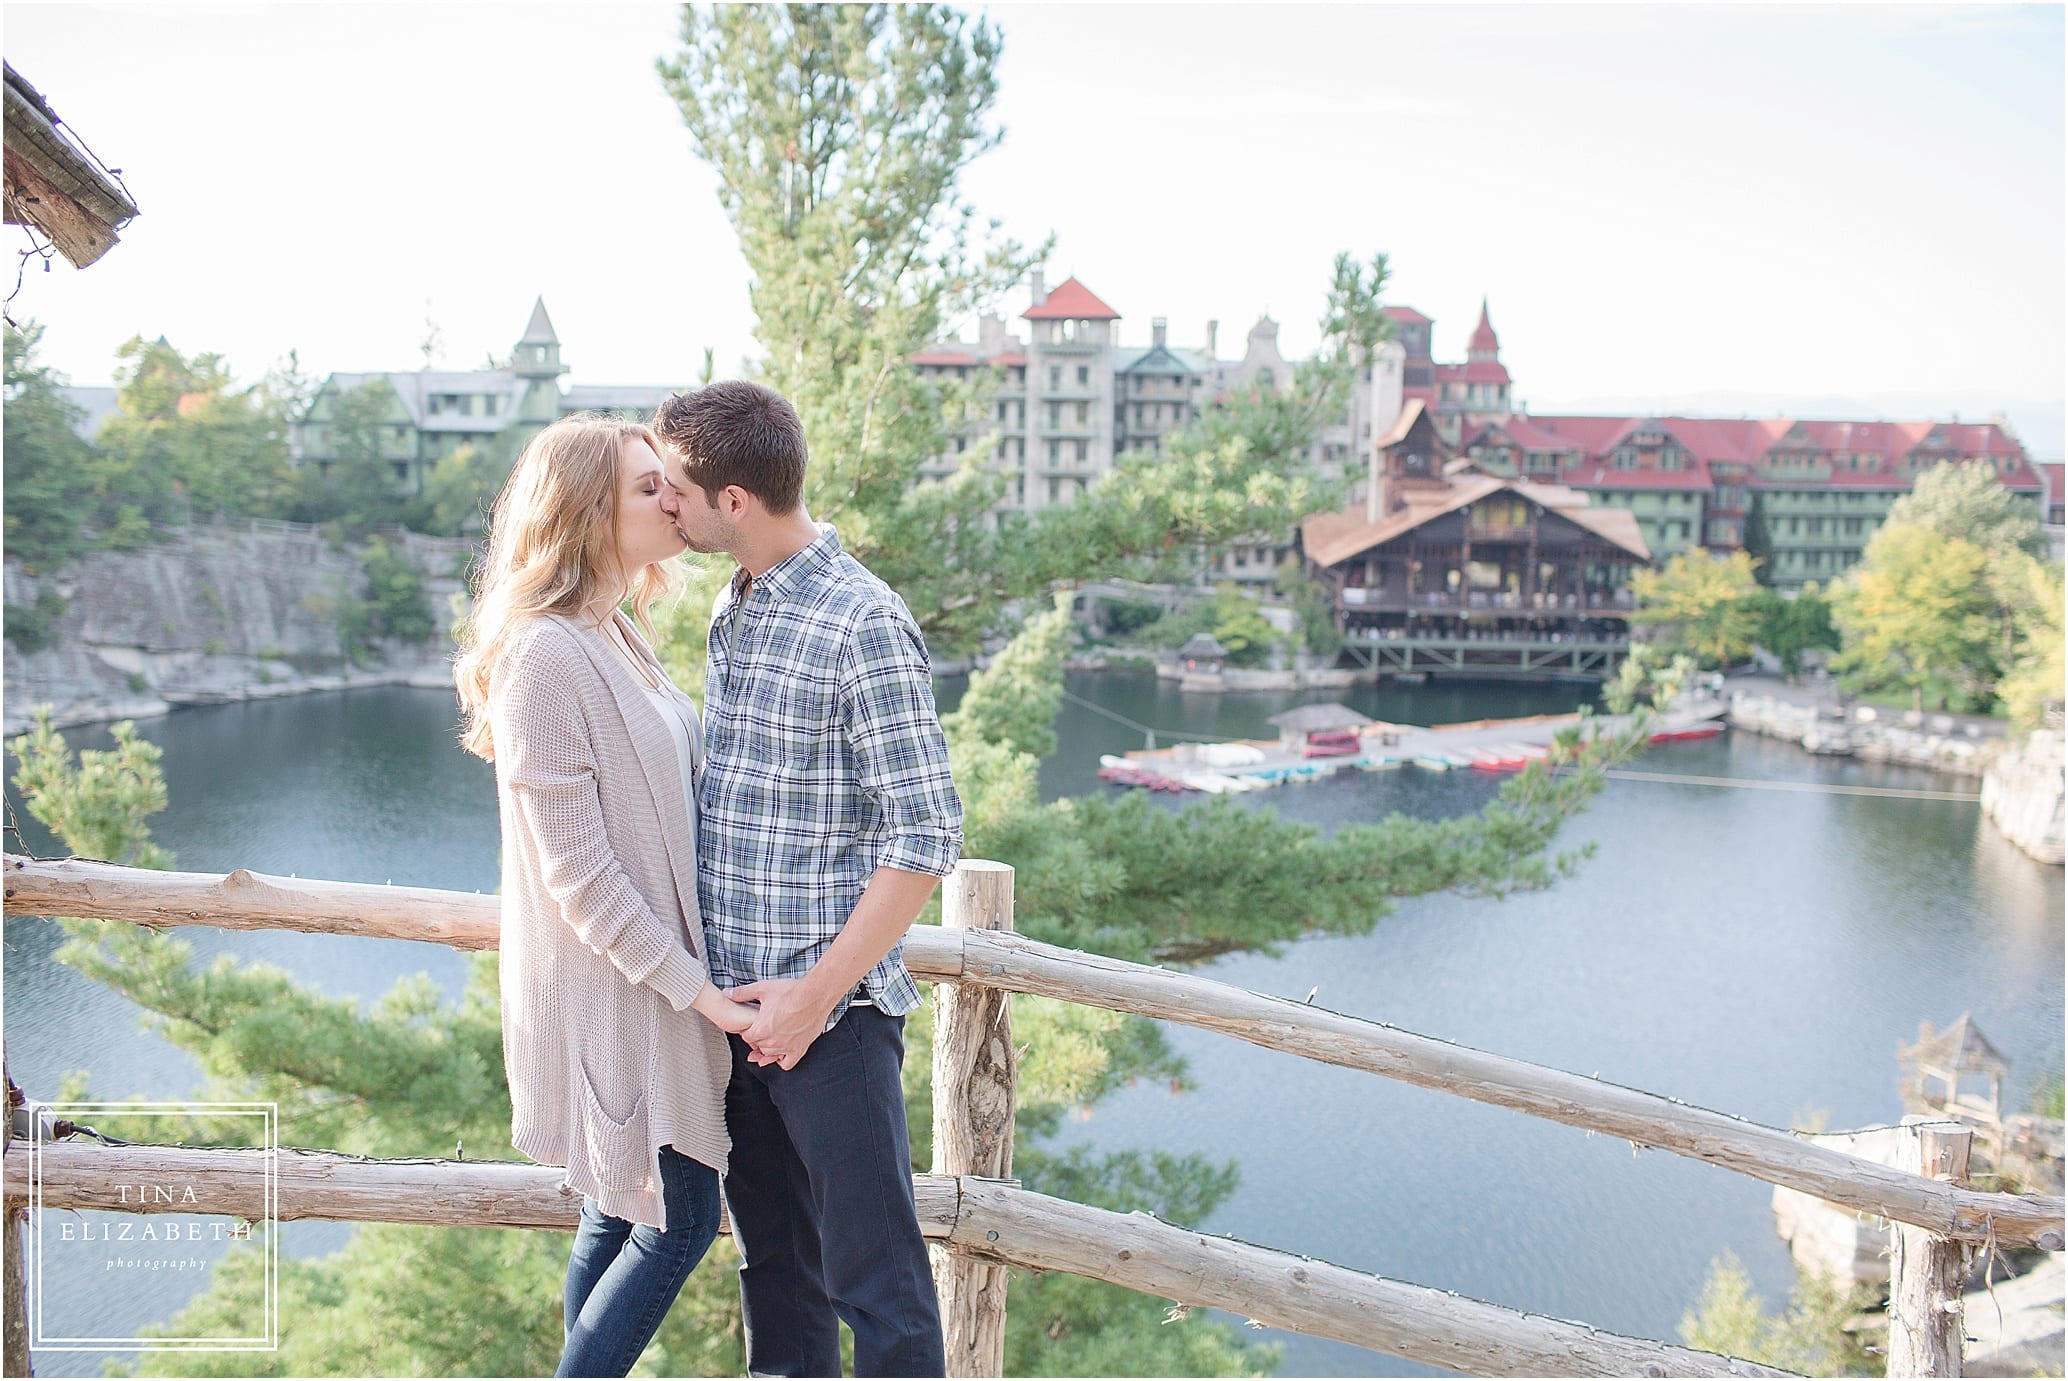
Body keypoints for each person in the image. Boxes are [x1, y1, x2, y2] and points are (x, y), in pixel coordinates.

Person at [652, 381, 964, 1378]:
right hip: (737, 1015)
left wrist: (812, 1000)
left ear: (732, 500)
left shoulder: (862, 620)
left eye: (676, 490)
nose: (666, 504)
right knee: (775, 1273)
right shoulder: (730, 604)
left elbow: (923, 837)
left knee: (881, 1293)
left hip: (829, 1025)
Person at [454, 413, 755, 1378]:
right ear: (585, 511)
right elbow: (576, 870)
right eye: (646, 486)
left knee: (620, 1207)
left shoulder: (612, 629)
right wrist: (696, 989)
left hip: (643, 983)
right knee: (680, 1217)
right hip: (615, 992)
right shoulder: (545, 655)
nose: (673, 499)